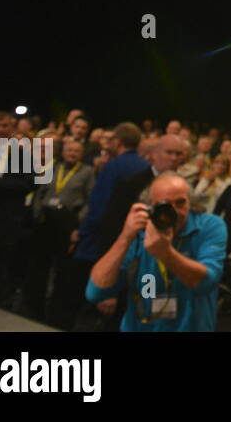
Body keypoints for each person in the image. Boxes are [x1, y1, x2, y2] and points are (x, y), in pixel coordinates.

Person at [86, 172, 227, 332]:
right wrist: (125, 237)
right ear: (149, 206)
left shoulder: (209, 226)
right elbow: (95, 292)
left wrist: (165, 253)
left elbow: (206, 282)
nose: (174, 212)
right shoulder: (139, 232)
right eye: (165, 205)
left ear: (190, 203)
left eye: (180, 203)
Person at [59, 122, 147, 330]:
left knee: (84, 303)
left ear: (118, 142)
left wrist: (81, 233)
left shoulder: (114, 167)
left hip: (97, 246)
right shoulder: (144, 168)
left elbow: (99, 209)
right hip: (128, 246)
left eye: (110, 140)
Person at [23, 137, 95, 322]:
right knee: (39, 265)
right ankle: (33, 308)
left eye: (76, 151)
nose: (72, 154)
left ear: (82, 154)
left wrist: (78, 222)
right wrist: (38, 212)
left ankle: (55, 314)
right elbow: (40, 192)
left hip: (67, 221)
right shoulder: (53, 167)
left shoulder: (87, 172)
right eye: (69, 150)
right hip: (46, 220)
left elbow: (90, 200)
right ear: (63, 152)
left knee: (63, 269)